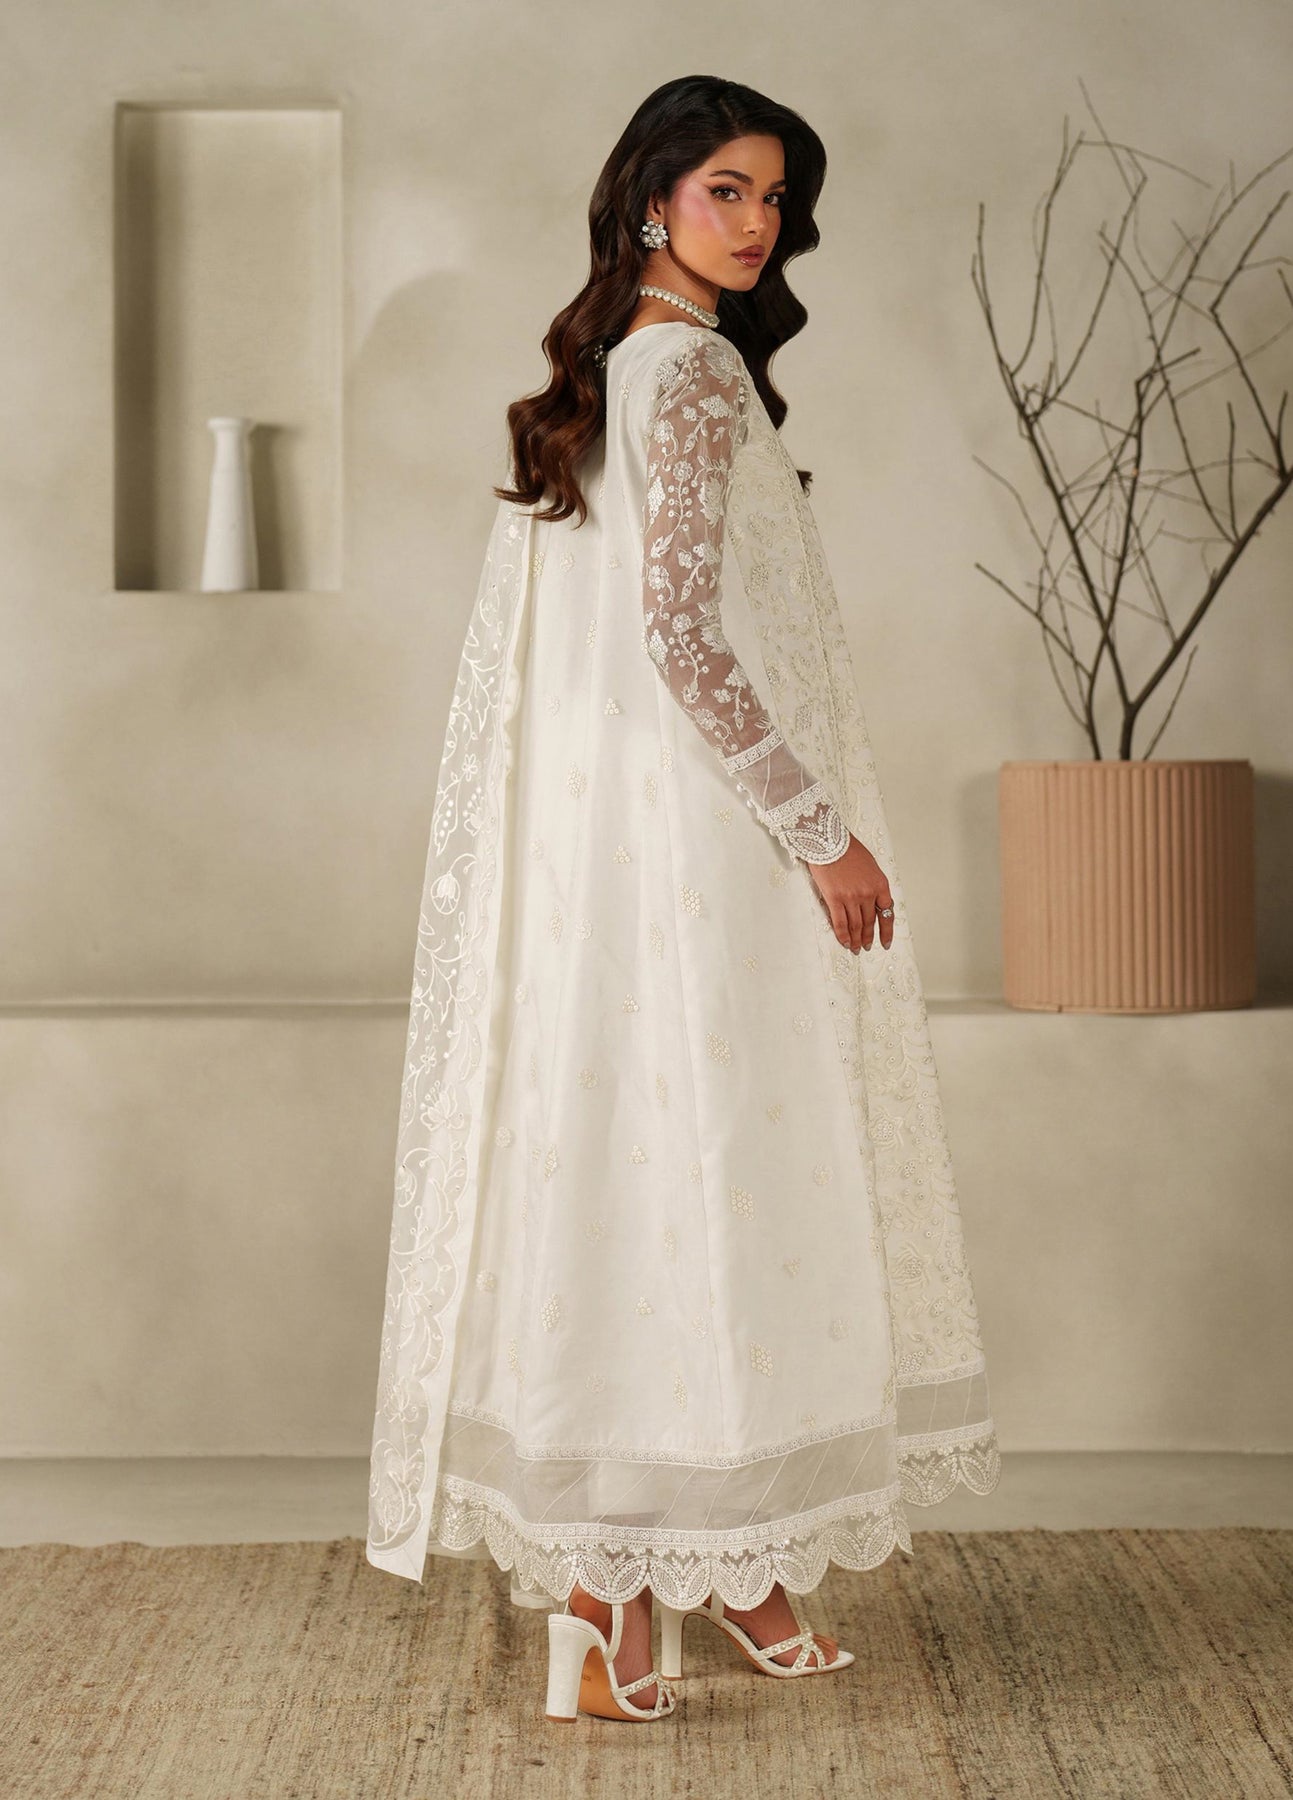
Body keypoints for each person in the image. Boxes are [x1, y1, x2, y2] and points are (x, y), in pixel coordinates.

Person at [365, 74, 1001, 1725]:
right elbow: (680, 639)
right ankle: (620, 1593)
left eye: (774, 198)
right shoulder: (692, 373)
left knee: (643, 1191)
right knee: (717, 1185)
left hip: (612, 857)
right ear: (652, 199)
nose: (758, 222)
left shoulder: (615, 368)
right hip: (703, 857)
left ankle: (690, 1570)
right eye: (727, 189)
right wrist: (818, 832)